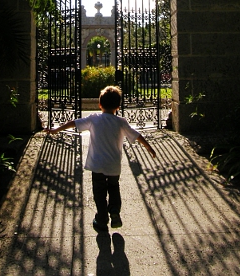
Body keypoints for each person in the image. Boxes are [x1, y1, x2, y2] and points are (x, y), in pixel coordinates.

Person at [44, 85, 156, 232]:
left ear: (100, 104)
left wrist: (55, 129)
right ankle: (114, 210)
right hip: (114, 165)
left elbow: (74, 123)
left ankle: (102, 219)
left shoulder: (94, 119)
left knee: (99, 192)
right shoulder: (121, 122)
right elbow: (136, 135)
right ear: (118, 106)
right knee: (114, 188)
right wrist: (148, 147)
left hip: (97, 164)